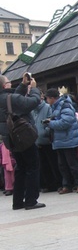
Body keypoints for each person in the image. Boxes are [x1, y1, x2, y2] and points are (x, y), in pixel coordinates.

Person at [0, 72, 45, 210]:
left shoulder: (4, 98)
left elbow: (13, 99)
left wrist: (22, 85)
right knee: (32, 167)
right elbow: (30, 102)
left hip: (11, 139)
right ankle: (31, 200)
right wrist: (34, 89)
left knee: (20, 168)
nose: (10, 84)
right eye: (8, 82)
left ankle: (18, 201)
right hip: (24, 137)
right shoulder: (8, 98)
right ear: (4, 85)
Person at [44, 88, 78, 194]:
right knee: (62, 165)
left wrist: (50, 123)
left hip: (68, 139)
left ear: (52, 98)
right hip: (59, 140)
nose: (46, 101)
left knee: (73, 164)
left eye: (47, 98)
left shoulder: (65, 106)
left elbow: (65, 123)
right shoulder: (54, 107)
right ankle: (67, 185)